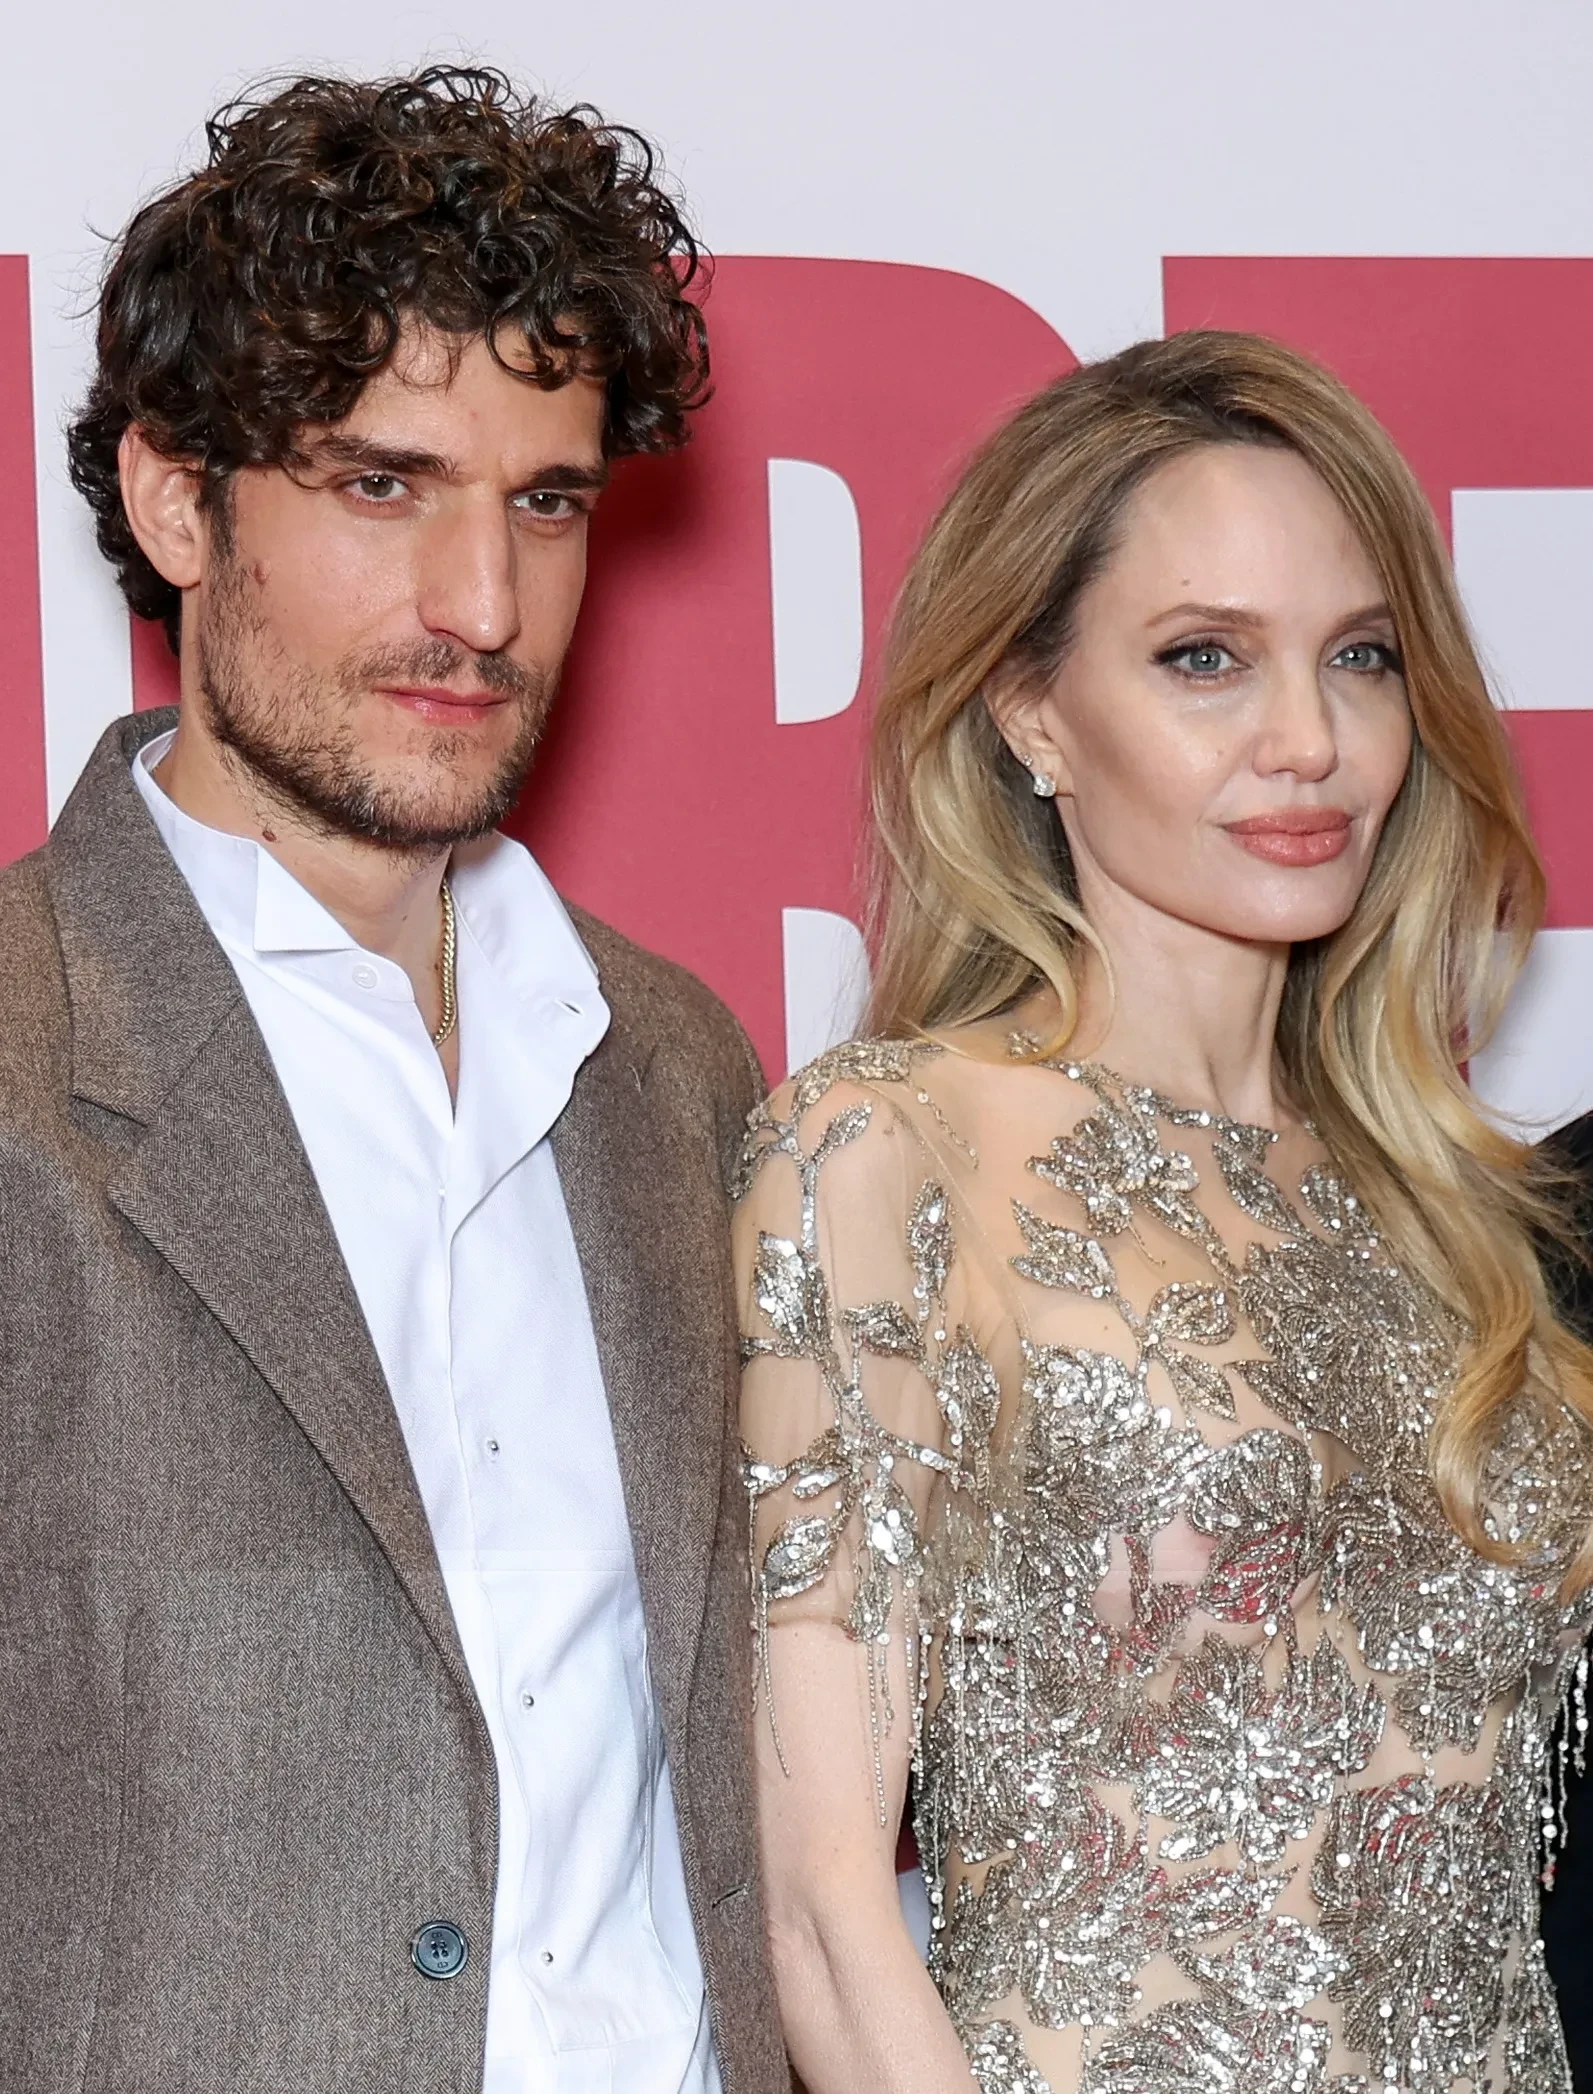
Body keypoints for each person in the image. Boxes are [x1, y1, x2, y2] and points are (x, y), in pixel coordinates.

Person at [0, 68, 785, 2094]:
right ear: (177, 502)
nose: (484, 605)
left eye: (545, 503)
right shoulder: (18, 1051)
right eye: (382, 486)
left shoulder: (675, 1067)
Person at [735, 330, 1593, 2092]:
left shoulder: (1463, 1216)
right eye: (1206, 658)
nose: (1311, 740)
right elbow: (822, 1912)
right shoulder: (888, 1150)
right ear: (1030, 708)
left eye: (1361, 656)